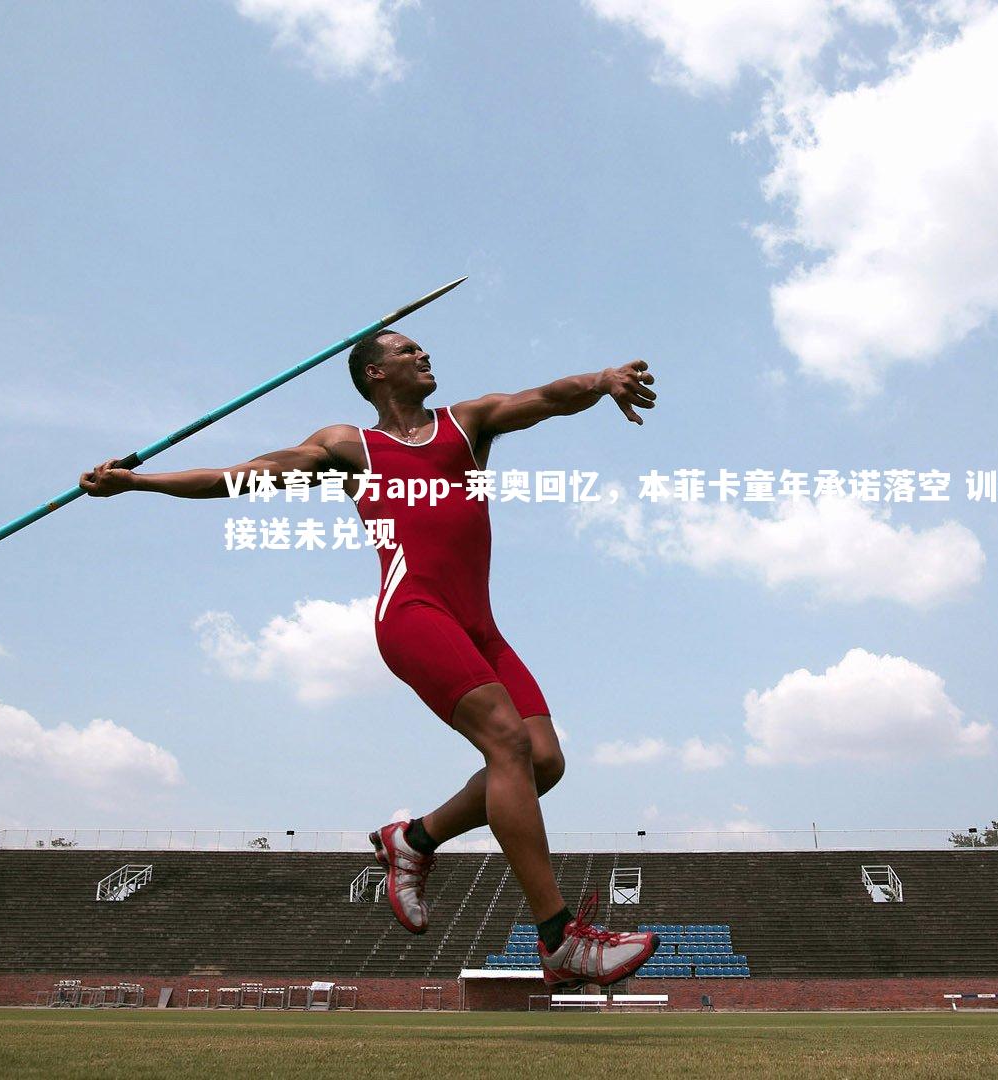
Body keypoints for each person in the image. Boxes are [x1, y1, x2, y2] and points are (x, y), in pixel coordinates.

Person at [79, 330, 660, 987]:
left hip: (481, 627)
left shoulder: (466, 424)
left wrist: (604, 377)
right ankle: (559, 938)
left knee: (543, 761)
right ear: (375, 373)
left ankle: (412, 841)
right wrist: (138, 481)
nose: (425, 354)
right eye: (408, 350)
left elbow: (547, 398)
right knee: (506, 741)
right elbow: (242, 477)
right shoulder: (347, 446)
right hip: (414, 613)